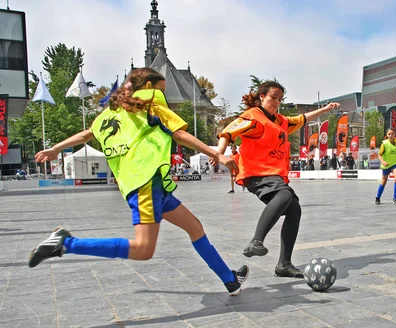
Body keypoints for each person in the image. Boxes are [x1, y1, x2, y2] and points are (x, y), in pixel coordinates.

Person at [30, 68, 249, 295]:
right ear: (147, 87)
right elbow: (178, 133)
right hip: (146, 184)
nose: (162, 95)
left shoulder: (112, 112)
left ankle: (229, 280)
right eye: (161, 89)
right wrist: (217, 155)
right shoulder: (150, 105)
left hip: (148, 184)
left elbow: (87, 134)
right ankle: (66, 243)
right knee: (143, 249)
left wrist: (56, 148)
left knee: (194, 227)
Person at [212, 80, 340, 278]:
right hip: (256, 173)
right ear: (262, 97)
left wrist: (326, 108)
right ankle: (256, 241)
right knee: (283, 196)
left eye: (280, 99)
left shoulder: (280, 121)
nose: (277, 102)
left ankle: (284, 264)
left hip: (272, 174)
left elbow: (302, 118)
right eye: (273, 97)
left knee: (294, 209)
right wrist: (219, 154)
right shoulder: (253, 117)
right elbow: (228, 132)